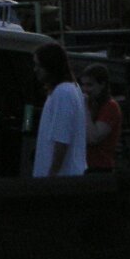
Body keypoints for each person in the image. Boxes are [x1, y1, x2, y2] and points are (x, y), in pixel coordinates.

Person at [31, 42, 87, 177]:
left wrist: (51, 178)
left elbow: (61, 142)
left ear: (51, 66)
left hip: (62, 180)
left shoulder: (63, 93)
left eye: (39, 65)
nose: (35, 69)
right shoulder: (70, 89)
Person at [80, 63, 122, 171]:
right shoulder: (90, 103)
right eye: (83, 85)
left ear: (102, 84)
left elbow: (93, 138)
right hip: (83, 165)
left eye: (89, 85)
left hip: (100, 167)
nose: (85, 89)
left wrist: (84, 107)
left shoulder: (110, 107)